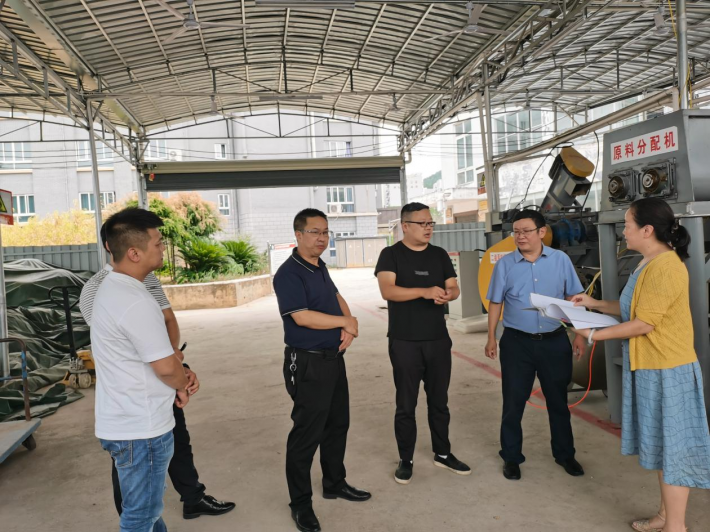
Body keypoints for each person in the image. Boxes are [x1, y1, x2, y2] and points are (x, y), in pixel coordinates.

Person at [571, 198, 710, 532]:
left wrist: (593, 334)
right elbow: (633, 309)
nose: (624, 231)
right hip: (651, 366)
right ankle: (665, 515)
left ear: (647, 230)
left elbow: (643, 324)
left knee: (674, 452)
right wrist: (594, 303)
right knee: (663, 447)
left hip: (669, 370)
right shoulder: (647, 262)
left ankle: (676, 527)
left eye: (628, 225)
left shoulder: (667, 267)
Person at [80, 221, 235, 521]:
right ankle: (131, 513)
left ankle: (191, 497)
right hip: (136, 410)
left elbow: (166, 321)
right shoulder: (104, 291)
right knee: (137, 502)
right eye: (158, 242)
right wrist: (175, 375)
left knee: (175, 448)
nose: (163, 248)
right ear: (123, 248)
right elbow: (123, 350)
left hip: (155, 392)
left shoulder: (139, 282)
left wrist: (174, 361)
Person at [273, 208, 371, 532]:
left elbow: (336, 296)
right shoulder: (289, 273)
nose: (322, 238)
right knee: (306, 434)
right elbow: (301, 317)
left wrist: (349, 324)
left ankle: (334, 482)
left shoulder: (319, 266)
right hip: (308, 362)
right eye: (315, 232)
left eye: (326, 232)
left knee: (337, 424)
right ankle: (300, 504)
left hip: (333, 359)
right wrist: (345, 322)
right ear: (298, 234)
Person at [91, 208, 189, 532]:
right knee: (139, 518)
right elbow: (166, 367)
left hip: (128, 421)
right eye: (157, 243)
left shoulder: (116, 289)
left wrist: (179, 373)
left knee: (149, 513)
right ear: (134, 252)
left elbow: (156, 356)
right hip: (140, 429)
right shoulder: (133, 300)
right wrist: (182, 382)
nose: (162, 248)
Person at [485, 209, 587, 481]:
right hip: (517, 343)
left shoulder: (560, 260)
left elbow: (575, 298)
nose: (520, 236)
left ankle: (565, 454)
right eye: (516, 232)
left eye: (526, 231)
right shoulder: (505, 265)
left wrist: (579, 334)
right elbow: (496, 302)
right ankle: (511, 457)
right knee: (513, 402)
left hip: (554, 341)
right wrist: (491, 336)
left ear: (541, 232)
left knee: (558, 401)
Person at [374, 202, 470, 485]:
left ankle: (443, 453)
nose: (428, 228)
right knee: (406, 404)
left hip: (437, 339)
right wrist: (424, 291)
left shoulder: (439, 254)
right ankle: (406, 459)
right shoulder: (391, 255)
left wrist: (449, 295)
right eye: (422, 223)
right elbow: (387, 290)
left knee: (439, 402)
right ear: (405, 226)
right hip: (405, 340)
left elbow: (454, 287)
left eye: (431, 223)